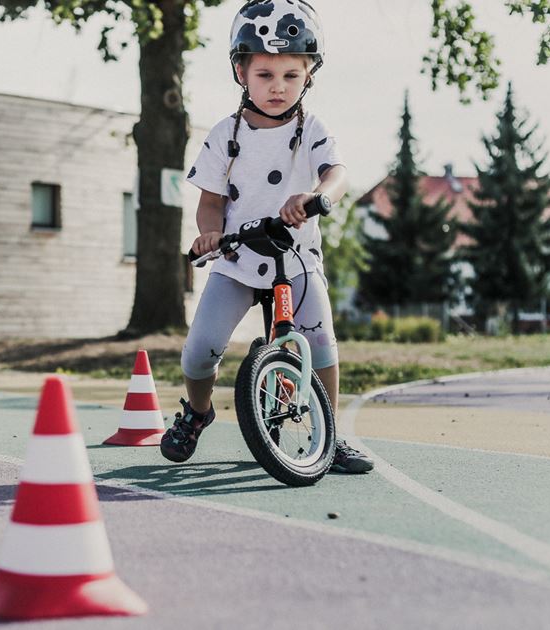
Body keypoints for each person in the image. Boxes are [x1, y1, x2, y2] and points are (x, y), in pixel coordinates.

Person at [160, 0, 373, 473]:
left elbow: (336, 172)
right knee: (199, 350)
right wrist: (210, 233)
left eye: (290, 76)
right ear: (241, 72)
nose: (278, 87)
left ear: (309, 76)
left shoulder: (312, 129)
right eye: (265, 75)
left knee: (320, 346)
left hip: (295, 260)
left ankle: (328, 435)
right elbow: (211, 201)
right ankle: (197, 413)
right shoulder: (223, 135)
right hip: (237, 261)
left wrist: (319, 196)